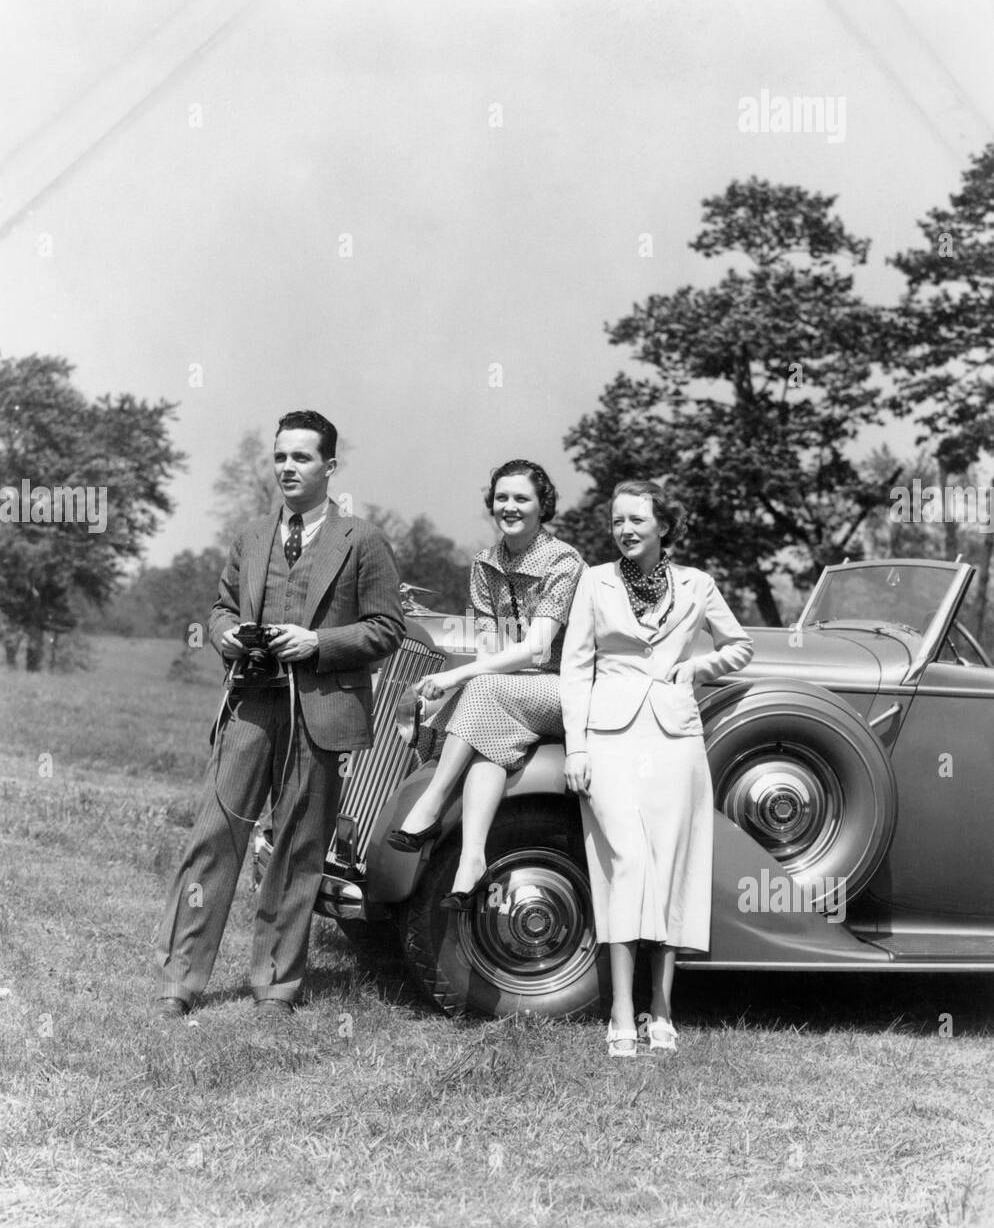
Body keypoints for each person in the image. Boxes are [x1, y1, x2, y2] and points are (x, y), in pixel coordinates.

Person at [153, 410, 405, 1019]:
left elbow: (387, 627)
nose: (288, 469)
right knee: (213, 838)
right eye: (280, 458)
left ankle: (276, 984)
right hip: (250, 704)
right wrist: (228, 635)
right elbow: (217, 607)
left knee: (298, 847)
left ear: (330, 467)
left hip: (318, 712)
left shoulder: (362, 540)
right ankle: (180, 981)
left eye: (302, 458)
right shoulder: (252, 534)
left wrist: (318, 643)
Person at [560, 479, 753, 1057]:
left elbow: (740, 645)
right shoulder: (593, 582)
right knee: (627, 864)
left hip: (674, 738)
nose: (625, 530)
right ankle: (621, 1009)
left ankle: (662, 1009)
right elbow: (575, 668)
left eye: (637, 520)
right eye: (617, 521)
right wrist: (576, 747)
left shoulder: (699, 584)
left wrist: (695, 669)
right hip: (609, 738)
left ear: (663, 525)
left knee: (668, 867)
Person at [387, 459, 584, 910]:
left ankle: (432, 803)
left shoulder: (563, 560)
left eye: (521, 498)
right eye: (502, 498)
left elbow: (536, 649)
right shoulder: (484, 563)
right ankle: (471, 861)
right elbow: (489, 648)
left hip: (560, 688)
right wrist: (457, 689)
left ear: (542, 506)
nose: (509, 507)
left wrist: (458, 678)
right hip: (505, 692)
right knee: (484, 740)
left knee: (477, 691)